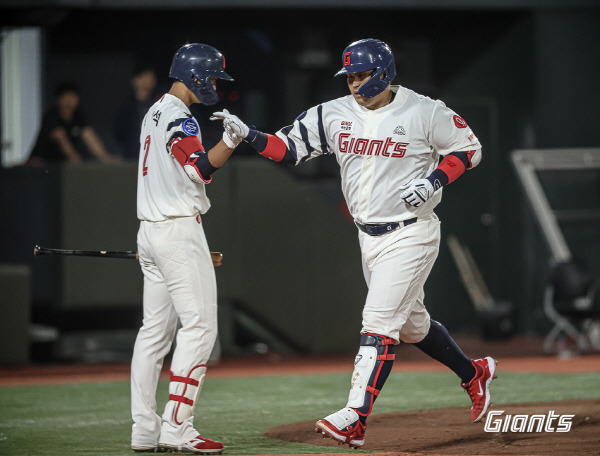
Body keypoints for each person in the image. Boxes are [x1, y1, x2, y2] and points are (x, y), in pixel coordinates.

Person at [211, 38, 497, 448]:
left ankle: (355, 418)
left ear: (383, 73)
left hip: (412, 232)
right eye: (349, 76)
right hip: (369, 237)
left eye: (361, 75)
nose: (353, 83)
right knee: (413, 327)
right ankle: (474, 374)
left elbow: (470, 148)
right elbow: (288, 149)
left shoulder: (424, 110)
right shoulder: (333, 112)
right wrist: (249, 135)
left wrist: (435, 178)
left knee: (378, 323)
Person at [131, 43, 238, 454]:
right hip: (177, 230)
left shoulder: (153, 111)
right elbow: (199, 167)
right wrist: (230, 141)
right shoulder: (179, 117)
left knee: (153, 335)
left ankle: (145, 429)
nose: (213, 85)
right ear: (195, 75)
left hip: (151, 231)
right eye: (211, 78)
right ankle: (177, 427)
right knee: (200, 328)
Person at [28, 81, 120, 164]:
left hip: (60, 166)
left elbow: (90, 137)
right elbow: (61, 139)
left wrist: (105, 157)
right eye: (66, 96)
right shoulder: (52, 116)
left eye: (73, 96)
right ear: (58, 99)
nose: (70, 100)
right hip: (41, 163)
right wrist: (74, 158)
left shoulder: (78, 116)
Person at [114, 66, 162, 160]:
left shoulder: (159, 103)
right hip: (134, 155)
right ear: (134, 80)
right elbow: (120, 131)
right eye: (144, 76)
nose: (148, 80)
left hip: (156, 155)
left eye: (151, 77)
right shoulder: (127, 107)